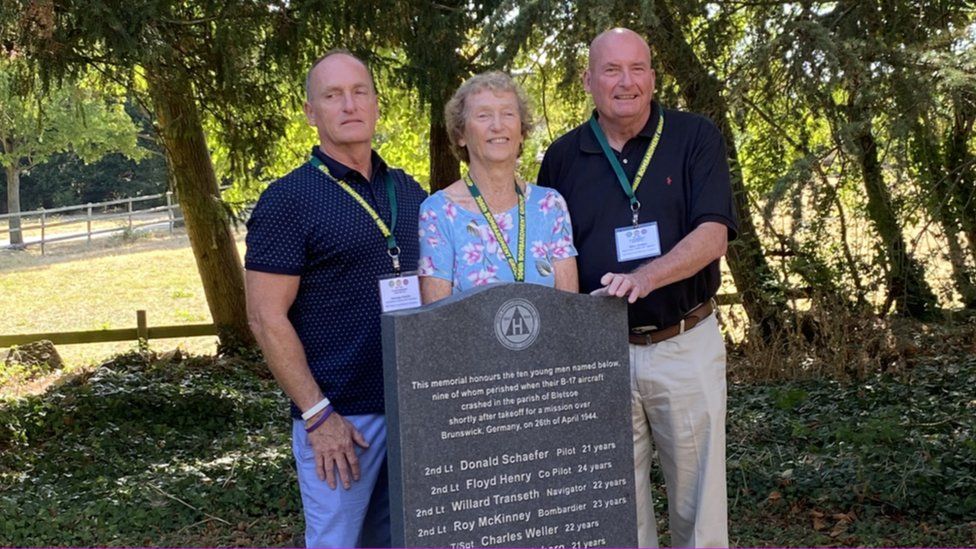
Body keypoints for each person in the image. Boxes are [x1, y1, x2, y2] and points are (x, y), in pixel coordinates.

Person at [538, 28, 738, 548]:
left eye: (637, 69)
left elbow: (713, 234)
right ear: (588, 80)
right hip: (600, 354)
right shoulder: (561, 158)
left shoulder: (695, 137)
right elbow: (549, 256)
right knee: (616, 509)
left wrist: (644, 276)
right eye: (611, 70)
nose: (626, 82)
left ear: (652, 76)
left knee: (700, 505)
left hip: (682, 344)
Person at [244, 50, 426, 548]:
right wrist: (317, 415)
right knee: (338, 542)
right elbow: (264, 317)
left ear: (375, 104)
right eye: (333, 95)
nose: (349, 105)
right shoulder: (288, 200)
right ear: (311, 112)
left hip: (413, 408)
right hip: (342, 420)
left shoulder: (406, 191)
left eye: (359, 91)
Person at [419, 71, 578, 302]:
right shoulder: (439, 212)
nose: (497, 125)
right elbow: (435, 322)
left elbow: (569, 308)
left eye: (508, 114)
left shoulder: (550, 206)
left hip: (549, 338)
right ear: (461, 134)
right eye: (483, 116)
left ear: (522, 132)